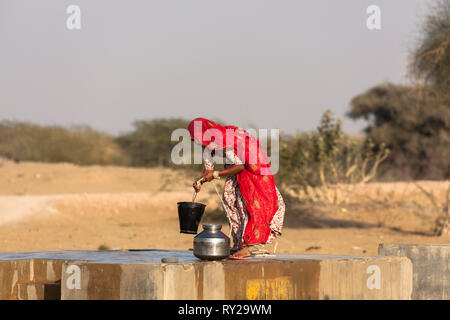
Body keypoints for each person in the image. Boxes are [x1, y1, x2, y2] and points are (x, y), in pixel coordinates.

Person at [188, 117, 285, 259]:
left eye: (196, 138)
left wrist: (216, 174)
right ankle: (241, 244)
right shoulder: (210, 145)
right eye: (194, 140)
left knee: (254, 206)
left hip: (254, 174)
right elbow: (209, 165)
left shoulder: (227, 139)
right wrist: (201, 180)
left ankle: (253, 246)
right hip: (238, 174)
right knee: (232, 203)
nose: (197, 142)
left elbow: (240, 165)